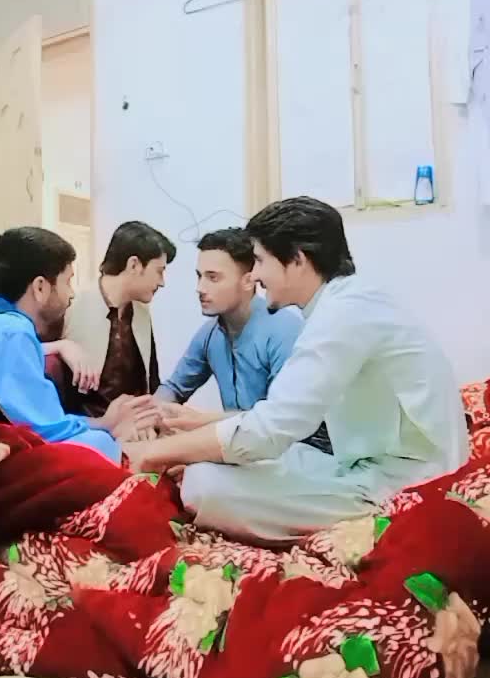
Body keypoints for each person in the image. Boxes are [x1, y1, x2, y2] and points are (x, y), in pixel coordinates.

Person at [128, 197, 469, 542]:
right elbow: (265, 420)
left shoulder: (340, 315)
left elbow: (272, 427)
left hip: (404, 477)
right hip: (358, 461)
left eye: (260, 261)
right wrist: (187, 434)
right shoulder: (341, 305)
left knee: (205, 485)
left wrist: (158, 451)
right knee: (211, 465)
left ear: (297, 260)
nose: (255, 275)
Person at [0, 227, 160, 461]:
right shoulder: (10, 331)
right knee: (101, 449)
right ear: (40, 287)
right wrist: (110, 433)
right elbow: (47, 431)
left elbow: (46, 418)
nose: (71, 294)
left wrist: (103, 423)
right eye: (67, 282)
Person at [155, 228, 330, 451]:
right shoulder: (210, 334)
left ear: (248, 281)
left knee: (194, 466)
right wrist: (153, 413)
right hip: (247, 449)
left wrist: (200, 421)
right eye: (199, 276)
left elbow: (281, 420)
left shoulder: (283, 331)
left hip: (302, 451)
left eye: (213, 278)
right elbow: (174, 389)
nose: (200, 288)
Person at [48, 221, 175, 418]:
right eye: (159, 271)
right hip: (85, 427)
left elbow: (151, 380)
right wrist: (62, 346)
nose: (162, 282)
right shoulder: (72, 306)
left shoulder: (141, 312)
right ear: (134, 265)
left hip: (138, 425)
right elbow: (28, 351)